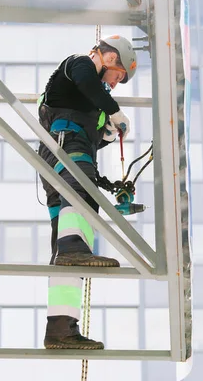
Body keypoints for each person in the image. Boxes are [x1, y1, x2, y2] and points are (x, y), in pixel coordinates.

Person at [37, 35, 137, 349]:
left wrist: (105, 134)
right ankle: (71, 250)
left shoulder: (89, 98)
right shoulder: (78, 64)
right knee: (81, 194)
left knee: (73, 228)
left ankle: (61, 328)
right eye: (118, 75)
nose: (116, 84)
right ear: (109, 58)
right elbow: (86, 84)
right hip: (66, 142)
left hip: (68, 151)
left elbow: (91, 139)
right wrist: (114, 112)